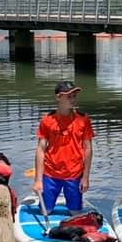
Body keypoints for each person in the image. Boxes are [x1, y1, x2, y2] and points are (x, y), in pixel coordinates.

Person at [33, 81, 94, 213]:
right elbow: (41, 149)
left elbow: (88, 149)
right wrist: (38, 180)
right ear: (58, 97)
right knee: (46, 211)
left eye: (74, 96)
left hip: (74, 174)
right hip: (50, 174)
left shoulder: (83, 120)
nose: (73, 100)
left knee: (75, 212)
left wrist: (86, 177)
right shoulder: (47, 120)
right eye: (69, 96)